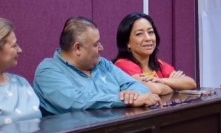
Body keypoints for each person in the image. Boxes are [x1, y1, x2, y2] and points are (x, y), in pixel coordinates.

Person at [33, 17, 161, 115]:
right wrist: (123, 100)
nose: (101, 48)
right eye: (96, 44)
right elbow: (74, 101)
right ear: (78, 48)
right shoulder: (48, 70)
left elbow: (139, 87)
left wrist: (132, 95)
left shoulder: (102, 64)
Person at [113, 12, 196, 95]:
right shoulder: (122, 64)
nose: (148, 38)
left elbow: (191, 83)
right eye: (139, 34)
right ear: (127, 42)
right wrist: (175, 86)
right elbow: (156, 90)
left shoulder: (158, 63)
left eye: (150, 32)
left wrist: (161, 80)